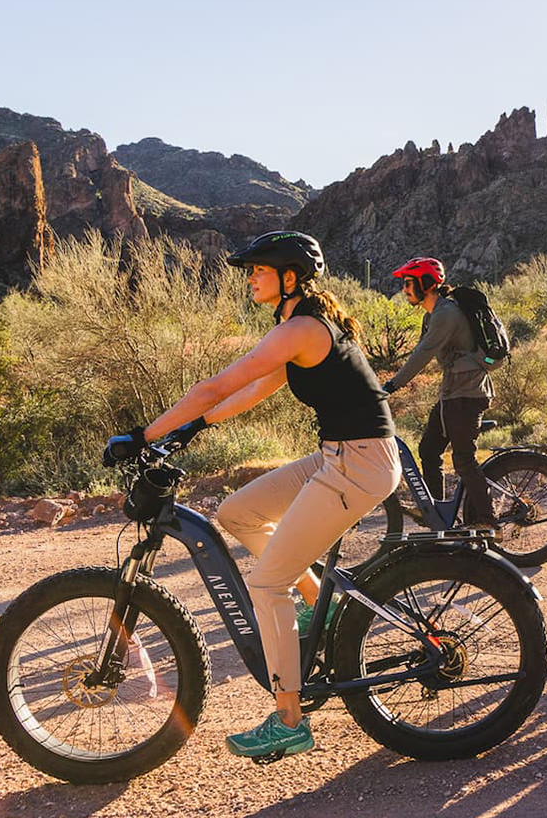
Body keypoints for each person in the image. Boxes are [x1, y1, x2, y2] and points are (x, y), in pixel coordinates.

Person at [103, 230, 398, 759]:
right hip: (343, 454)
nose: (250, 278)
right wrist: (193, 428)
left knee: (266, 583)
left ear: (290, 276)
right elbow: (251, 390)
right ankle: (320, 606)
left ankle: (289, 718)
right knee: (238, 511)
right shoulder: (298, 326)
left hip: (359, 463)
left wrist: (144, 435)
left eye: (259, 270)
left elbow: (214, 386)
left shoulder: (302, 328)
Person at [380, 257, 496, 527]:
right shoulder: (433, 314)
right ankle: (436, 515)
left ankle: (489, 521)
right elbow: (419, 352)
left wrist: (391, 385)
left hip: (467, 394)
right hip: (452, 393)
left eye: (408, 283)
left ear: (426, 283)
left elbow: (423, 354)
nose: (404, 289)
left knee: (463, 460)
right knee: (429, 449)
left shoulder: (447, 314)